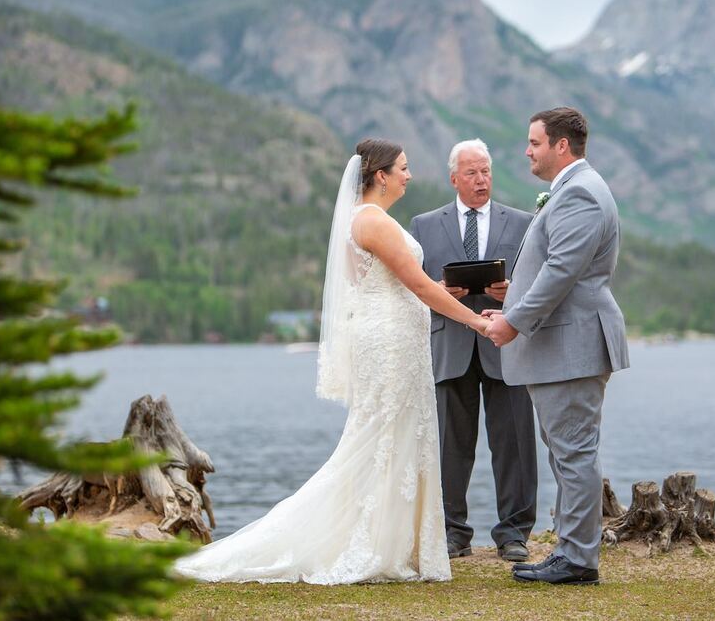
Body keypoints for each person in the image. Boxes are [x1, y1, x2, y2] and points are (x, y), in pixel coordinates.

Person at [174, 139, 491, 584]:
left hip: (394, 331)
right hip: (389, 340)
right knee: (382, 437)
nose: (409, 174)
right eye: (403, 167)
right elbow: (417, 287)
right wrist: (476, 322)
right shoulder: (372, 221)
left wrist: (442, 290)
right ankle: (369, 543)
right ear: (380, 175)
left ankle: (395, 541)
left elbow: (400, 283)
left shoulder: (363, 220)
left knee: (397, 435)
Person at [484, 107, 630, 586]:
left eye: (534, 142)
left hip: (572, 344)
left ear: (560, 146)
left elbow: (563, 271)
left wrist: (515, 323)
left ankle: (579, 559)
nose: (527, 151)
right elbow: (554, 268)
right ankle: (570, 550)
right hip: (564, 346)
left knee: (574, 452)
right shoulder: (573, 190)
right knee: (566, 451)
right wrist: (513, 301)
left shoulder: (581, 194)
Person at [409, 139, 538, 563]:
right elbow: (412, 287)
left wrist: (511, 290)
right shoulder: (424, 225)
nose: (481, 179)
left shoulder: (522, 222)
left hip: (506, 343)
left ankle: (514, 533)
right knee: (451, 445)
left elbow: (539, 280)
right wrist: (442, 291)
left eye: (486, 171)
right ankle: (452, 532)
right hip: (450, 344)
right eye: (471, 173)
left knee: (514, 442)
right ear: (453, 178)